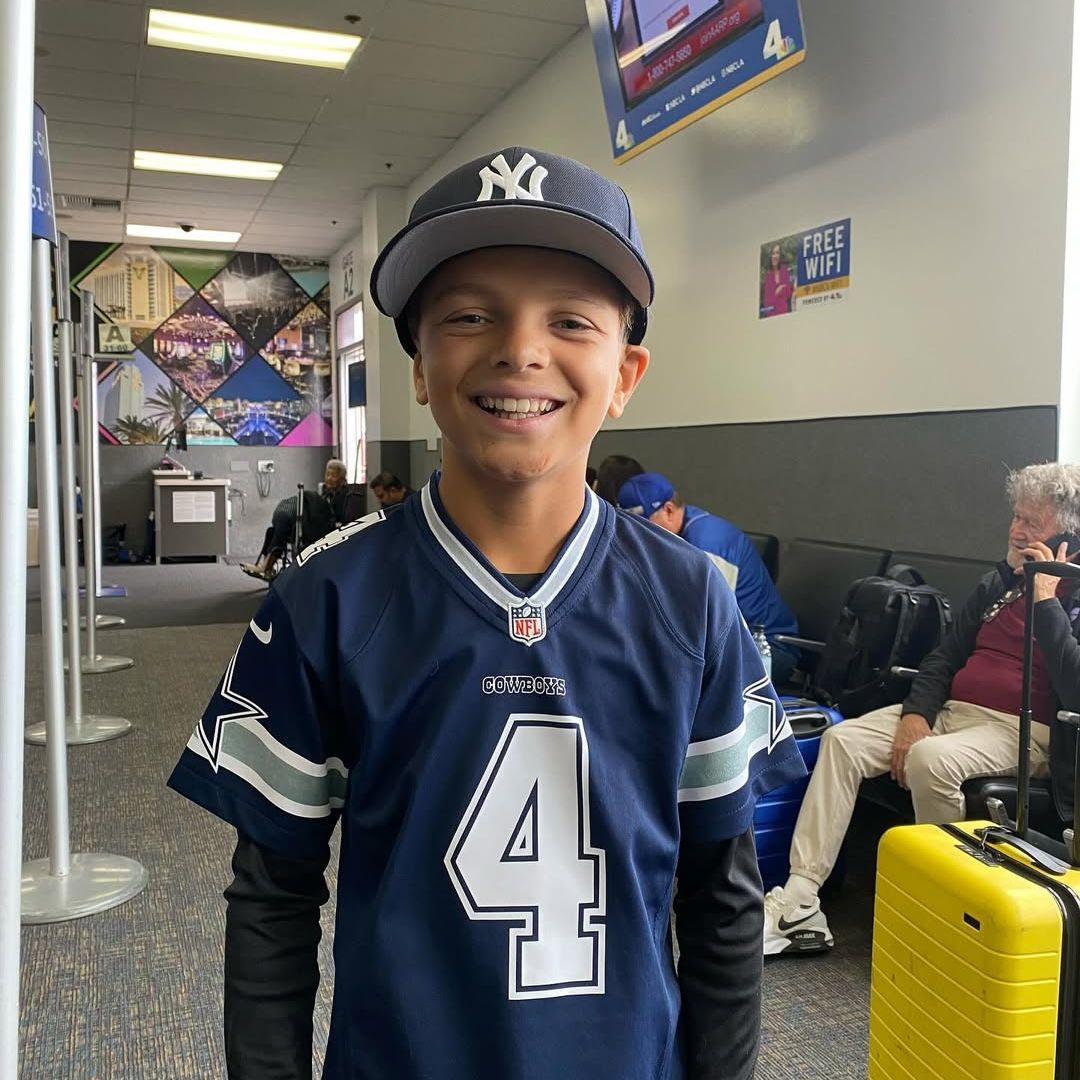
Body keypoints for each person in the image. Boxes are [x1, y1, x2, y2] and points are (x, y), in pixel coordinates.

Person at [168, 146, 806, 1080]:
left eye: (569, 320)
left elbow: (723, 898)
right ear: (419, 366)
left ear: (626, 371)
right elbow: (273, 899)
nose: (520, 348)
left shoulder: (693, 601)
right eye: (469, 314)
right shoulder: (325, 599)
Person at [763, 462, 1080, 957]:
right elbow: (945, 657)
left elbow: (1075, 685)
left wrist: (1048, 600)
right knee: (841, 739)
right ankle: (801, 897)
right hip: (953, 712)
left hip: (1024, 731)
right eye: (1016, 518)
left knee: (929, 760)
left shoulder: (1070, 597)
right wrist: (916, 715)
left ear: (1066, 536)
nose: (1016, 531)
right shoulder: (997, 585)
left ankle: (939, 917)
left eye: (1031, 525)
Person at [618, 472, 800, 684]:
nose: (636, 536)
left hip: (768, 651)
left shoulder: (708, 544)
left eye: (642, 525)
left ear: (668, 510)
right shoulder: (673, 536)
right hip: (730, 647)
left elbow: (709, 627)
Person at [240, 460, 347, 581]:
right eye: (327, 474)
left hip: (322, 529)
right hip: (313, 523)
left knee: (284, 525)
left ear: (342, 479)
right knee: (272, 531)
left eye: (333, 475)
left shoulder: (343, 495)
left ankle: (266, 568)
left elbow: (335, 518)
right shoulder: (325, 492)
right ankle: (266, 566)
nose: (329, 478)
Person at [760, 243, 793, 317]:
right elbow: (767, 302)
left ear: (780, 255)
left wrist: (776, 293)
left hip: (784, 312)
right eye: (773, 253)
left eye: (777, 253)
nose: (775, 256)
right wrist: (776, 293)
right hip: (772, 314)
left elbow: (788, 293)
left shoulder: (784, 270)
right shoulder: (768, 276)